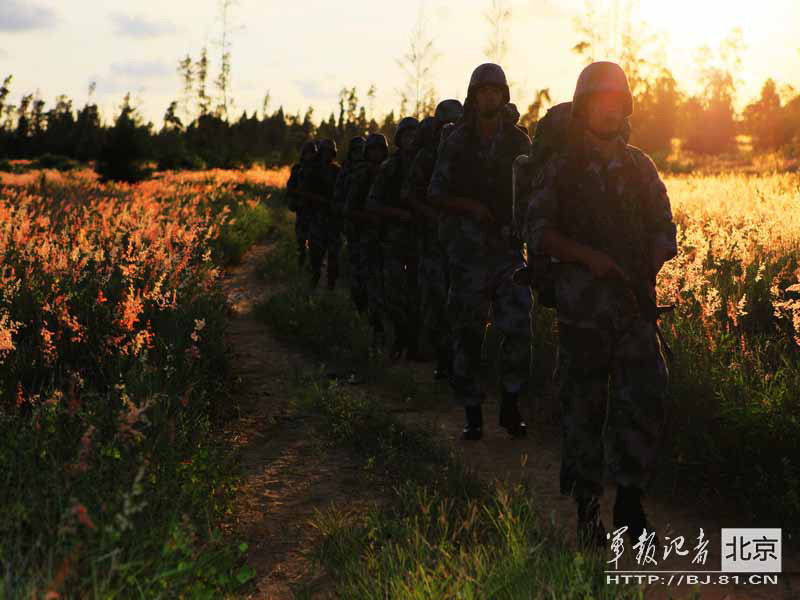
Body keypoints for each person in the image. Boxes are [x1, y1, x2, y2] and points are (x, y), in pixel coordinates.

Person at [523, 61, 677, 548]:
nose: (609, 110)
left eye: (617, 101)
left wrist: (646, 266)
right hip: (583, 312)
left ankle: (631, 502)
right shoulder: (561, 169)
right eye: (599, 100)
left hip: (634, 310)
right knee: (584, 410)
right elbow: (538, 232)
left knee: (642, 402)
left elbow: (665, 230)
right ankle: (588, 511)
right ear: (584, 106)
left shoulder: (640, 166)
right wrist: (590, 259)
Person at [428, 63, 532, 441]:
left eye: (495, 90)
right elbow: (435, 193)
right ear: (473, 98)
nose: (489, 96)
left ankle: (511, 402)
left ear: (504, 95)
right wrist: (470, 207)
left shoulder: (520, 144)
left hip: (506, 252)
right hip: (467, 254)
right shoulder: (456, 142)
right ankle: (473, 413)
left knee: (518, 328)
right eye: (481, 91)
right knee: (468, 334)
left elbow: (534, 197)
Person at [404, 100, 464, 378]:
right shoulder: (427, 157)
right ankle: (443, 359)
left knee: (462, 302)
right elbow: (410, 195)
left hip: (464, 242)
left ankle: (462, 361)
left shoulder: (468, 152)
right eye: (445, 125)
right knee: (436, 301)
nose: (450, 130)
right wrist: (432, 215)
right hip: (433, 240)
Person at [364, 117, 421, 359]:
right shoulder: (391, 167)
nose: (411, 140)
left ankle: (417, 343)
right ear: (399, 140)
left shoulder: (427, 162)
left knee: (420, 292)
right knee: (394, 293)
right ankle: (399, 337)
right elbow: (372, 203)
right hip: (394, 239)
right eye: (406, 136)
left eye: (414, 135)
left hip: (421, 240)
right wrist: (399, 214)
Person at [344, 132, 390, 344]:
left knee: (385, 284)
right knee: (367, 283)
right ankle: (372, 325)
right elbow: (349, 208)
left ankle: (382, 326)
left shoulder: (389, 170)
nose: (376, 153)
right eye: (372, 149)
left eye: (380, 149)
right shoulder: (360, 174)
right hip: (365, 236)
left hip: (386, 237)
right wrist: (371, 217)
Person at [300, 139, 341, 290]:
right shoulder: (312, 171)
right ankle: (314, 284)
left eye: (329, 152)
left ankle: (331, 286)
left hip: (333, 219)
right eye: (324, 152)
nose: (326, 155)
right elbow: (304, 192)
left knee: (334, 256)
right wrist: (320, 200)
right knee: (316, 255)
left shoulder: (337, 171)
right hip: (316, 218)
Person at [335, 136, 366, 305]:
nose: (359, 154)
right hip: (353, 223)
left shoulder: (374, 168)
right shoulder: (345, 171)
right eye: (356, 150)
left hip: (371, 224)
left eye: (362, 150)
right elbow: (338, 198)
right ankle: (357, 302)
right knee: (355, 264)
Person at [286, 140, 318, 267]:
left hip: (315, 210)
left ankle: (312, 264)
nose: (309, 155)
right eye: (307, 153)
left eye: (312, 153)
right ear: (303, 154)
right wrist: (296, 197)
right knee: (300, 238)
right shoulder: (297, 169)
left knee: (314, 240)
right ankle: (302, 259)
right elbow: (290, 187)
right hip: (302, 208)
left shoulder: (319, 169)